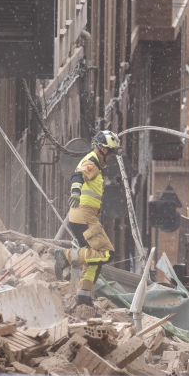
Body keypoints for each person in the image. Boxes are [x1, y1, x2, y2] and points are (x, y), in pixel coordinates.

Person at [52, 130, 121, 306]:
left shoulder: (96, 163)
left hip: (83, 216)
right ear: (102, 149)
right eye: (111, 152)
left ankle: (83, 299)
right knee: (106, 253)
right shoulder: (91, 161)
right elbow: (77, 176)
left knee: (93, 260)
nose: (112, 157)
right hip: (84, 215)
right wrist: (75, 191)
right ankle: (65, 256)